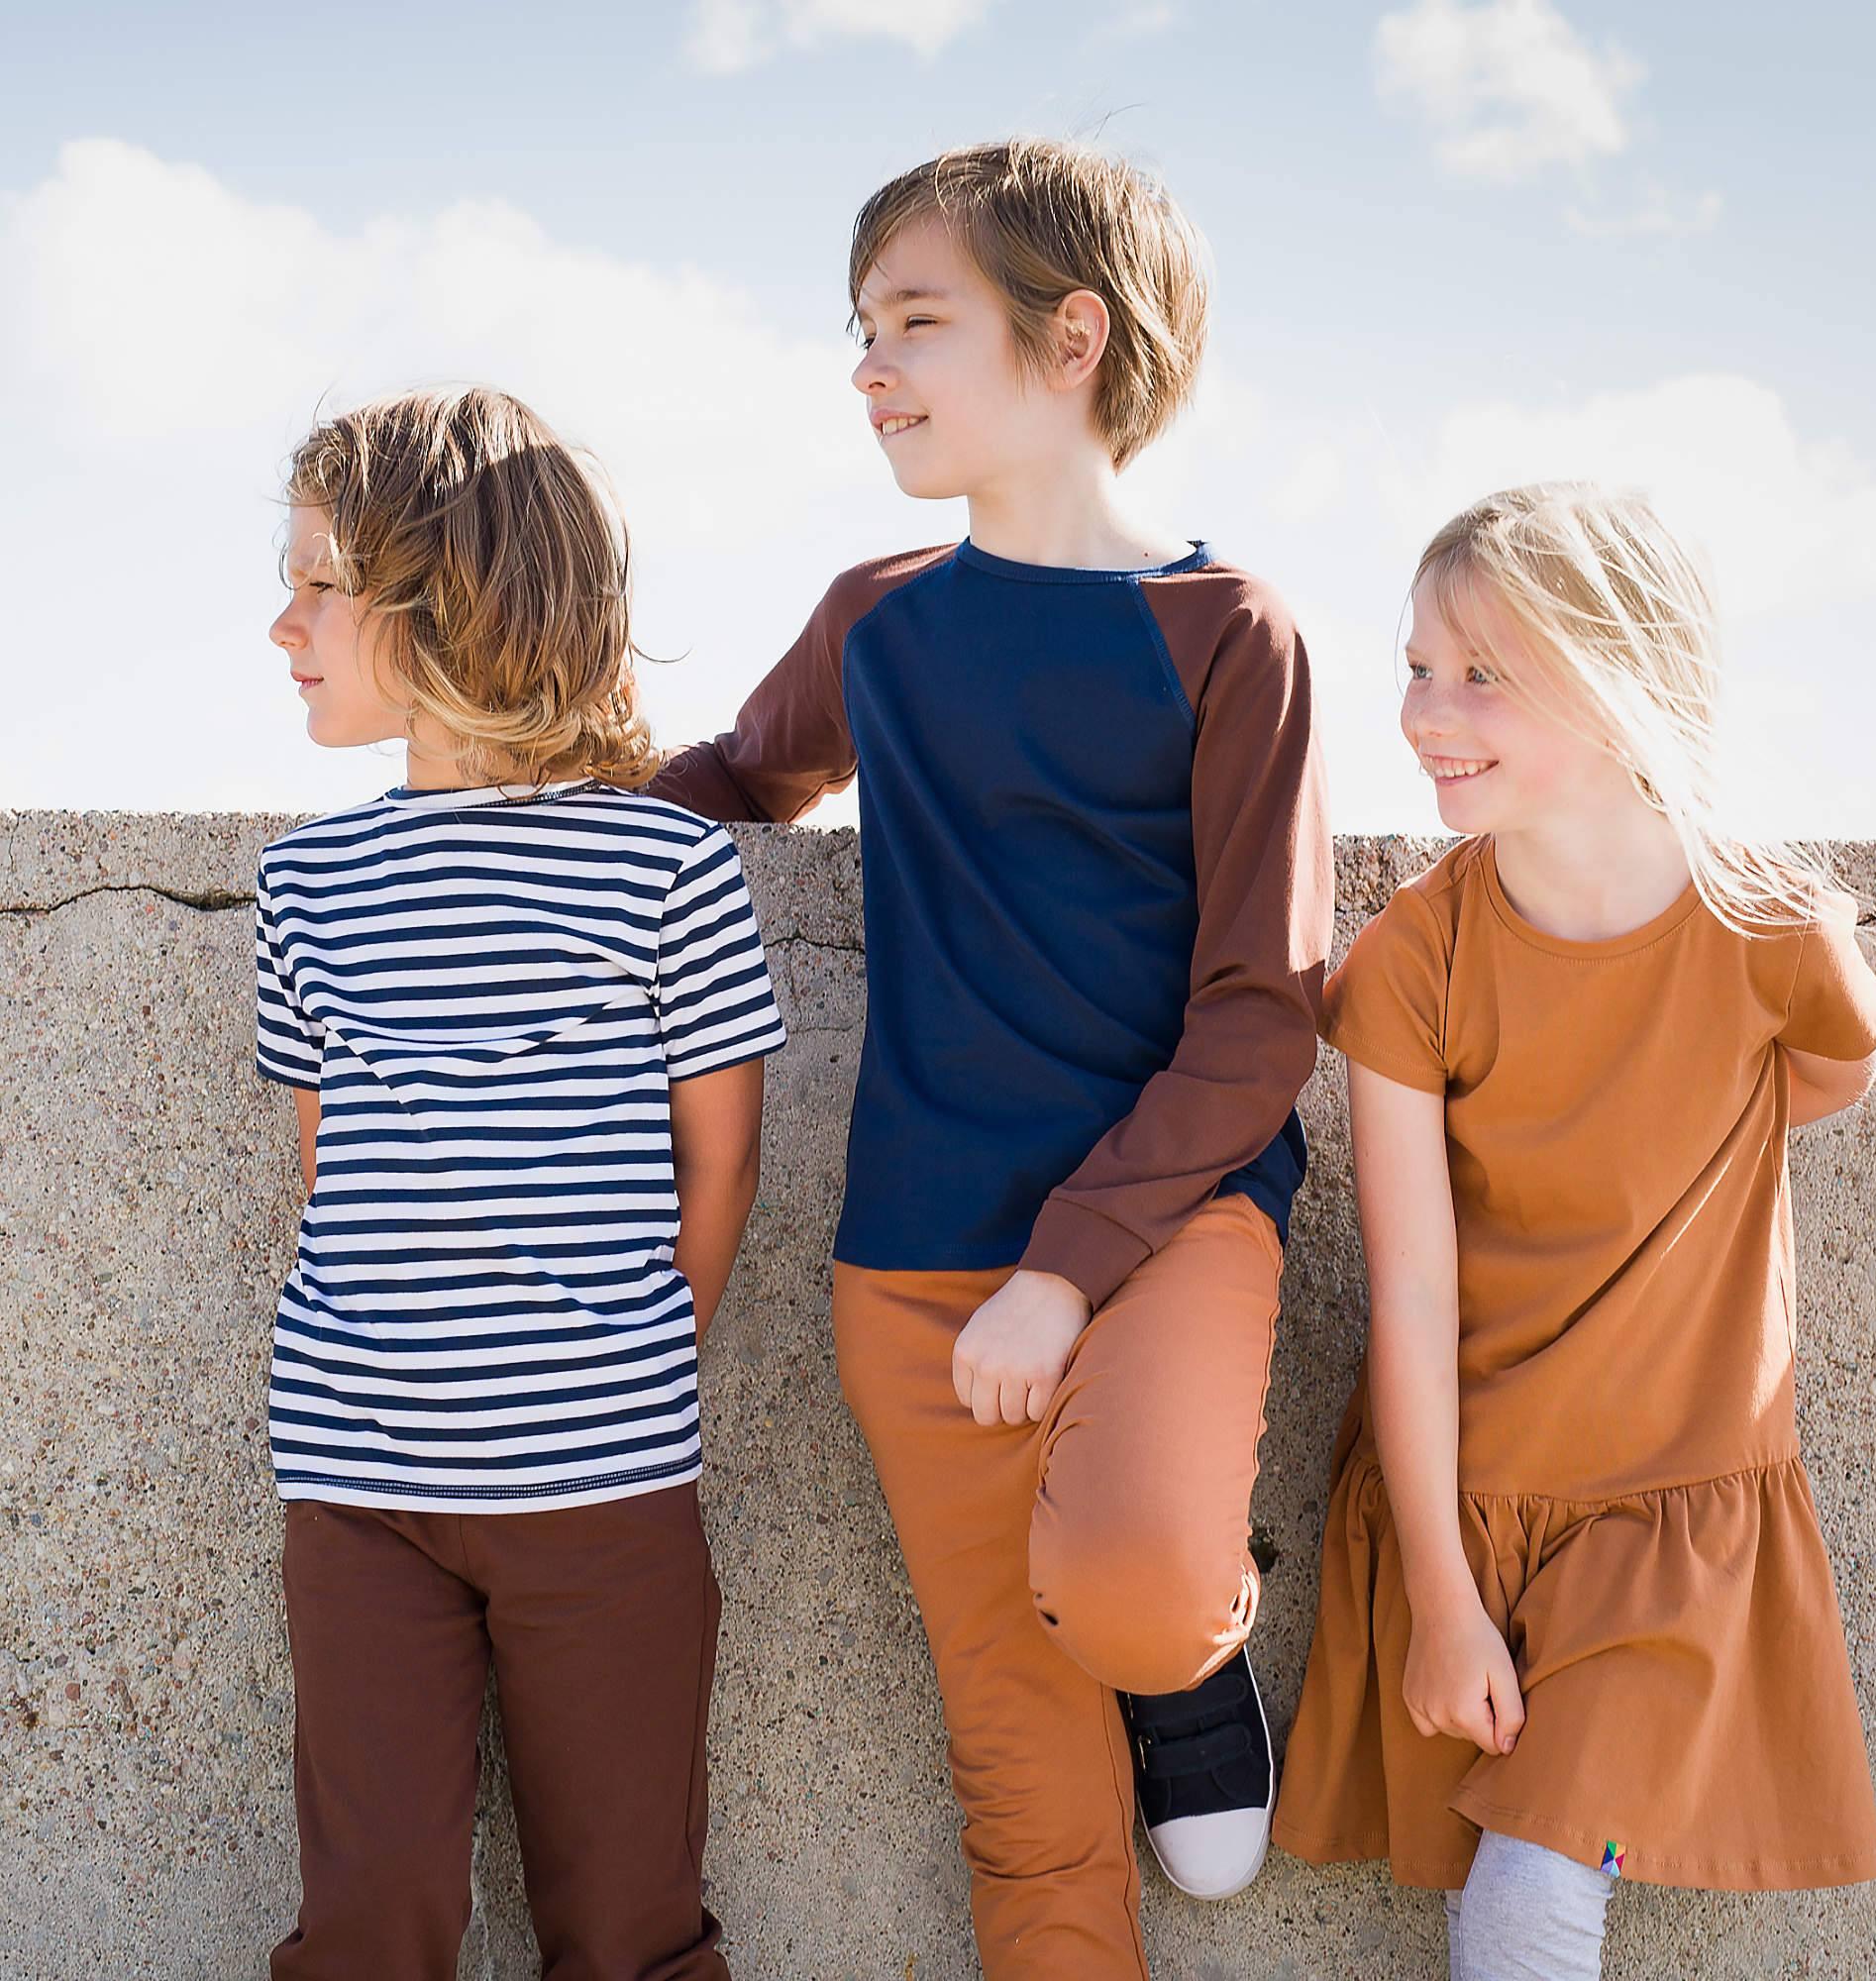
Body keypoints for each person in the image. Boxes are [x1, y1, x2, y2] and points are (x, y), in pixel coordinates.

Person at [651, 139, 1331, 1977]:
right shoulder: (881, 619)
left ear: (1073, 338)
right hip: (914, 1266)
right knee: (1020, 1777)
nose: (868, 367)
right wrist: (520, 805)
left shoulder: (1230, 633)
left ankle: (1191, 1659)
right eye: (861, 329)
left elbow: (1265, 1010)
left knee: (1123, 1593)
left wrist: (1064, 1267)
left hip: (1168, 1223)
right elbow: (727, 788)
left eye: (915, 322)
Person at [1272, 483, 1876, 1979]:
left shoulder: (1775, 934)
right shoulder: (1415, 956)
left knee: (1550, 1878)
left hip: (1676, 1537)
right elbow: (1406, 1298)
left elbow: (1827, 1079)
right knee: (1523, 1879)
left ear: (1625, 690)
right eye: (1418, 665)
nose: (1429, 710)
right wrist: (1439, 1601)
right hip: (1471, 1515)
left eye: (1485, 672)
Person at [256, 386, 784, 1979]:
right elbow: (326, 1167)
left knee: (627, 1915)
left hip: (604, 1487)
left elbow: (725, 1159)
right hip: (359, 1487)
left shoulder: (666, 869)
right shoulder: (308, 882)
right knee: (370, 1913)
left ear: (446, 600)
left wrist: (627, 1368)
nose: (281, 623)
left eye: (317, 584)